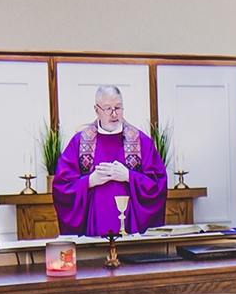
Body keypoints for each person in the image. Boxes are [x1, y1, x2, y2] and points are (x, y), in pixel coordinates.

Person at [51, 85, 169, 236]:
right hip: (94, 228)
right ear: (96, 110)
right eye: (108, 109)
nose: (114, 114)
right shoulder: (79, 142)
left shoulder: (140, 142)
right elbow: (61, 188)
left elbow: (158, 185)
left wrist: (129, 176)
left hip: (131, 229)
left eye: (118, 108)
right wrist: (89, 181)